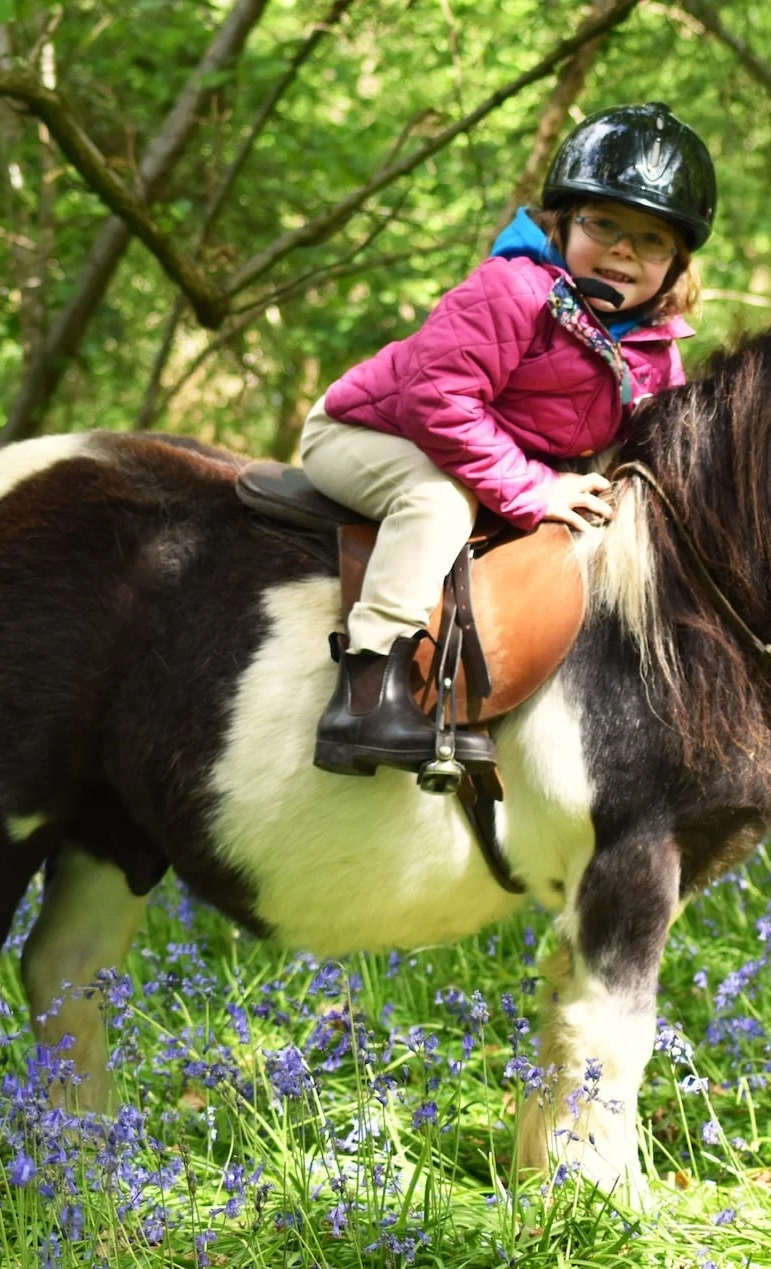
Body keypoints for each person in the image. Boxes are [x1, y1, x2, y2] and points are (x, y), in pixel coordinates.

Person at [300, 102, 718, 782]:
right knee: (439, 500)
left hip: (475, 453)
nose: (621, 250)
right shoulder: (513, 289)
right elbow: (438, 402)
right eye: (603, 223)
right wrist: (538, 488)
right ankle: (368, 691)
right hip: (368, 433)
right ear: (563, 219)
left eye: (650, 241)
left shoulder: (653, 349)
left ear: (675, 265)